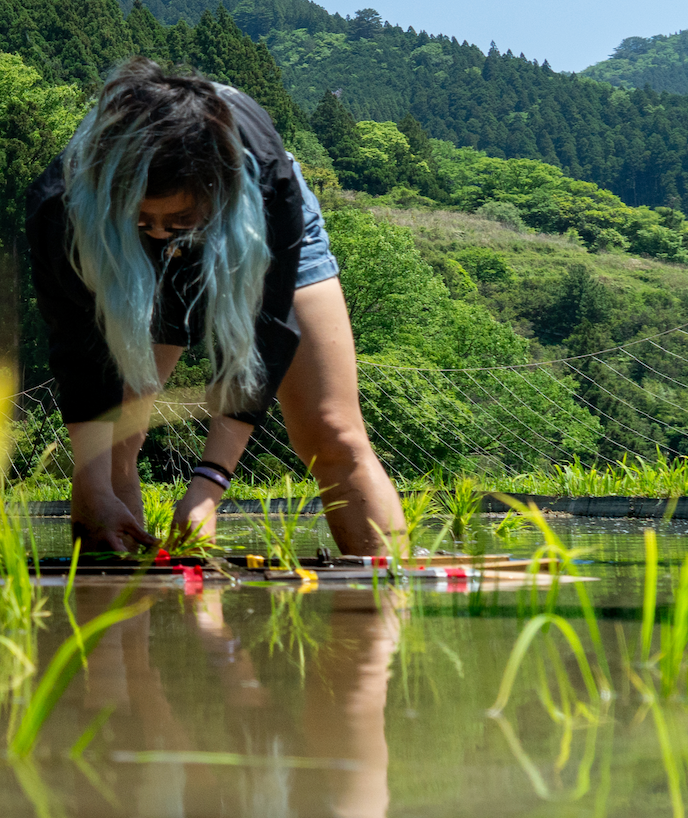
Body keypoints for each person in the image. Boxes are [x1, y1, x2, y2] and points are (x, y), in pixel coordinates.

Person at [28, 59, 407, 556]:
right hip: (116, 248)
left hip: (249, 229)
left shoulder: (268, 180)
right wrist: (93, 488)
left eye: (178, 218)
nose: (164, 234)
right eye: (147, 219)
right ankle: (114, 608)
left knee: (332, 432)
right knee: (113, 451)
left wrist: (209, 487)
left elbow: (263, 337)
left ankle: (387, 615)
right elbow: (78, 350)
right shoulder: (62, 204)